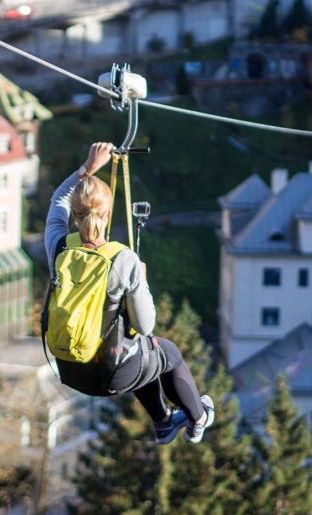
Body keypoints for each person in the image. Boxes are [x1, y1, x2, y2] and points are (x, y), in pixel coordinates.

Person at [44, 142, 215, 444]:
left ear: (74, 214)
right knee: (164, 351)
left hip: (69, 369)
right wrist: (140, 283)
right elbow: (147, 326)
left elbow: (58, 198)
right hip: (110, 375)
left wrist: (88, 168)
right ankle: (198, 418)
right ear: (108, 213)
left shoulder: (58, 246)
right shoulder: (123, 259)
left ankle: (164, 423)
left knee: (139, 351)